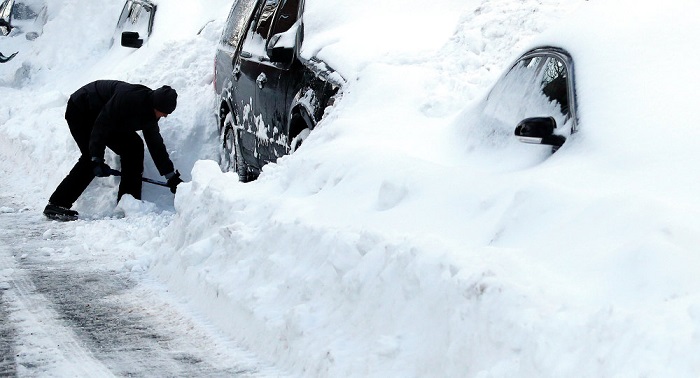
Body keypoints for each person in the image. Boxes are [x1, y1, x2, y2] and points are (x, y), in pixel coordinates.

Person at [43, 80, 184, 221]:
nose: (165, 116)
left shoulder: (151, 112)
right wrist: (96, 158)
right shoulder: (129, 99)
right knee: (89, 158)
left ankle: (129, 202)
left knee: (134, 147)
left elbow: (155, 143)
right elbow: (102, 125)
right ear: (156, 105)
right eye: (164, 112)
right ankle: (57, 204)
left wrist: (170, 175)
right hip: (82, 109)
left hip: (107, 117)